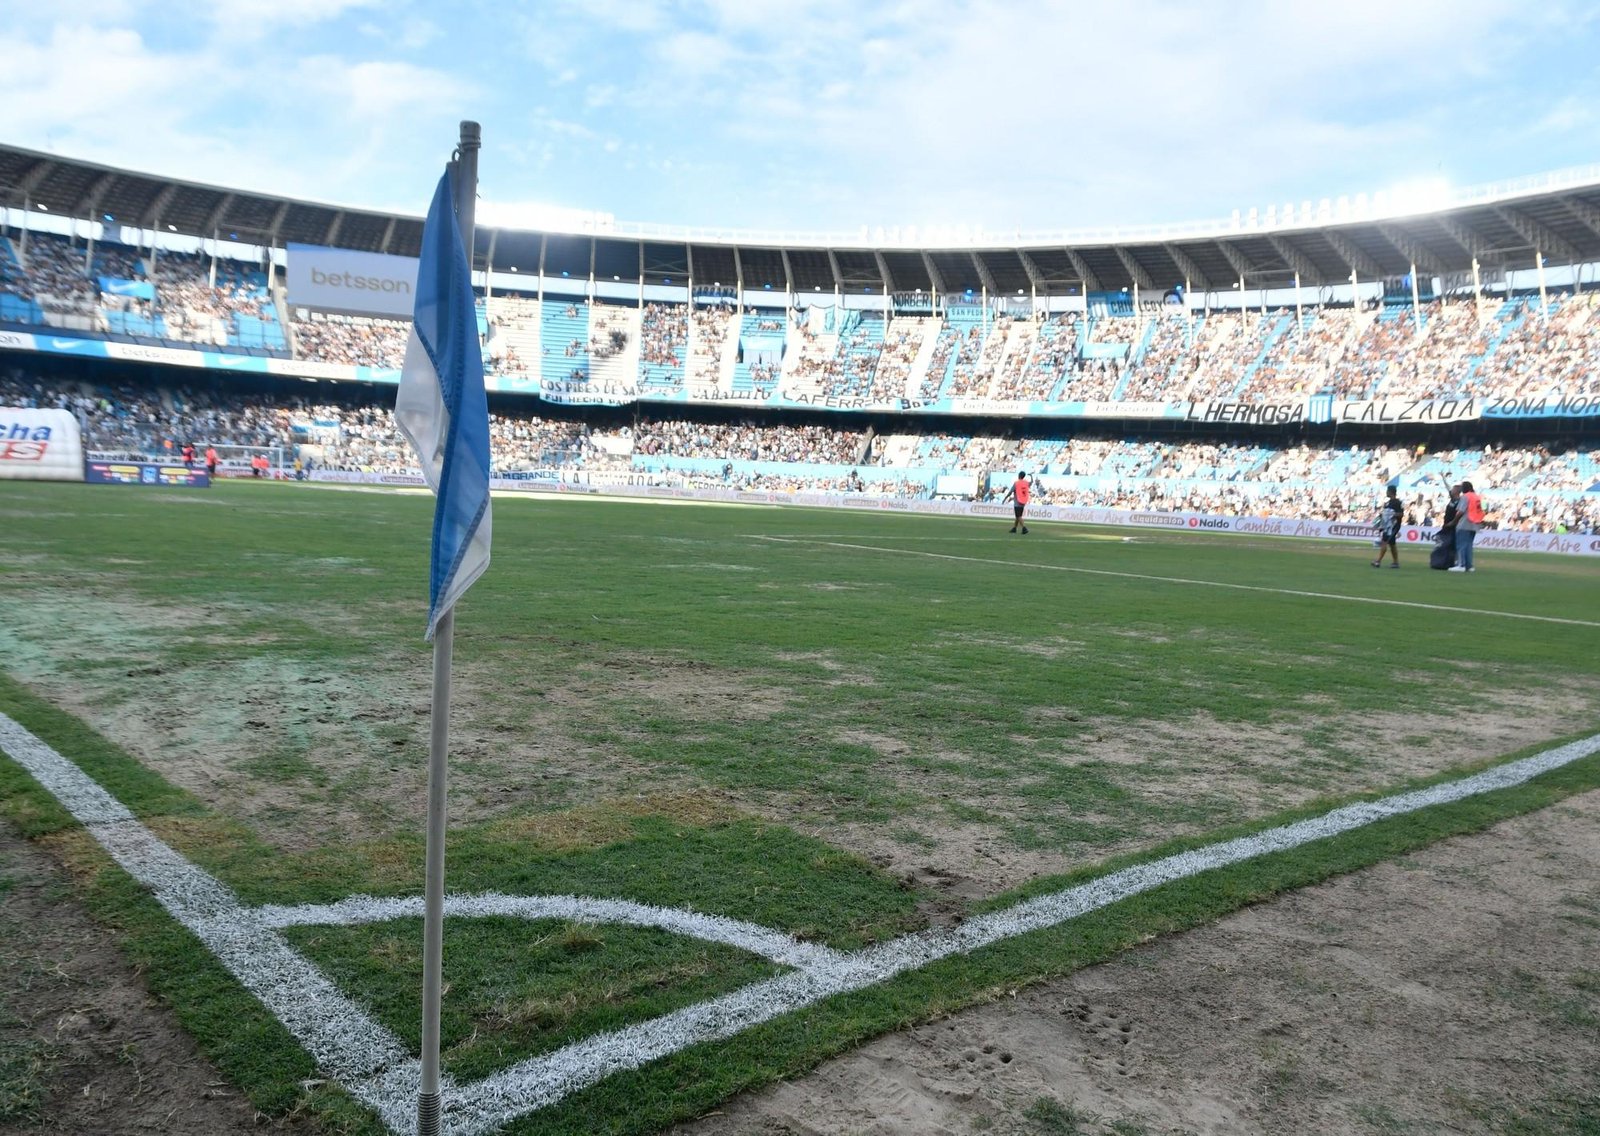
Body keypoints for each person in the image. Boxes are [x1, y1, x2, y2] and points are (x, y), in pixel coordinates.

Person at [1449, 480, 1485, 572]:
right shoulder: (1477, 497)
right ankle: (1469, 566)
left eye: (1462, 487)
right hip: (1475, 523)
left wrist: (1454, 521)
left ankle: (1461, 565)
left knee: (1461, 545)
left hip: (1464, 523)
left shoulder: (1465, 497)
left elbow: (1461, 511)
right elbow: (1483, 509)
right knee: (1469, 545)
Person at [1370, 484, 1403, 568]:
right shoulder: (1387, 503)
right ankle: (1395, 563)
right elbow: (1384, 515)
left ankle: (1378, 561)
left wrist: (1392, 514)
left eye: (1387, 491)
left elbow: (1401, 514)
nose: (1386, 492)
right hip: (1387, 526)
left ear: (1390, 492)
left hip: (1393, 526)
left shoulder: (1398, 503)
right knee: (1392, 544)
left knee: (1384, 542)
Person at [1003, 470, 1031, 534]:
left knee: (1018, 516)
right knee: (1018, 516)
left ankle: (1024, 528)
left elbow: (1010, 492)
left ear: (1019, 476)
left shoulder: (1017, 483)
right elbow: (1031, 482)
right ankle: (1014, 528)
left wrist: (1005, 498)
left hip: (1017, 502)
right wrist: (1031, 476)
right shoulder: (1025, 483)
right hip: (1023, 501)